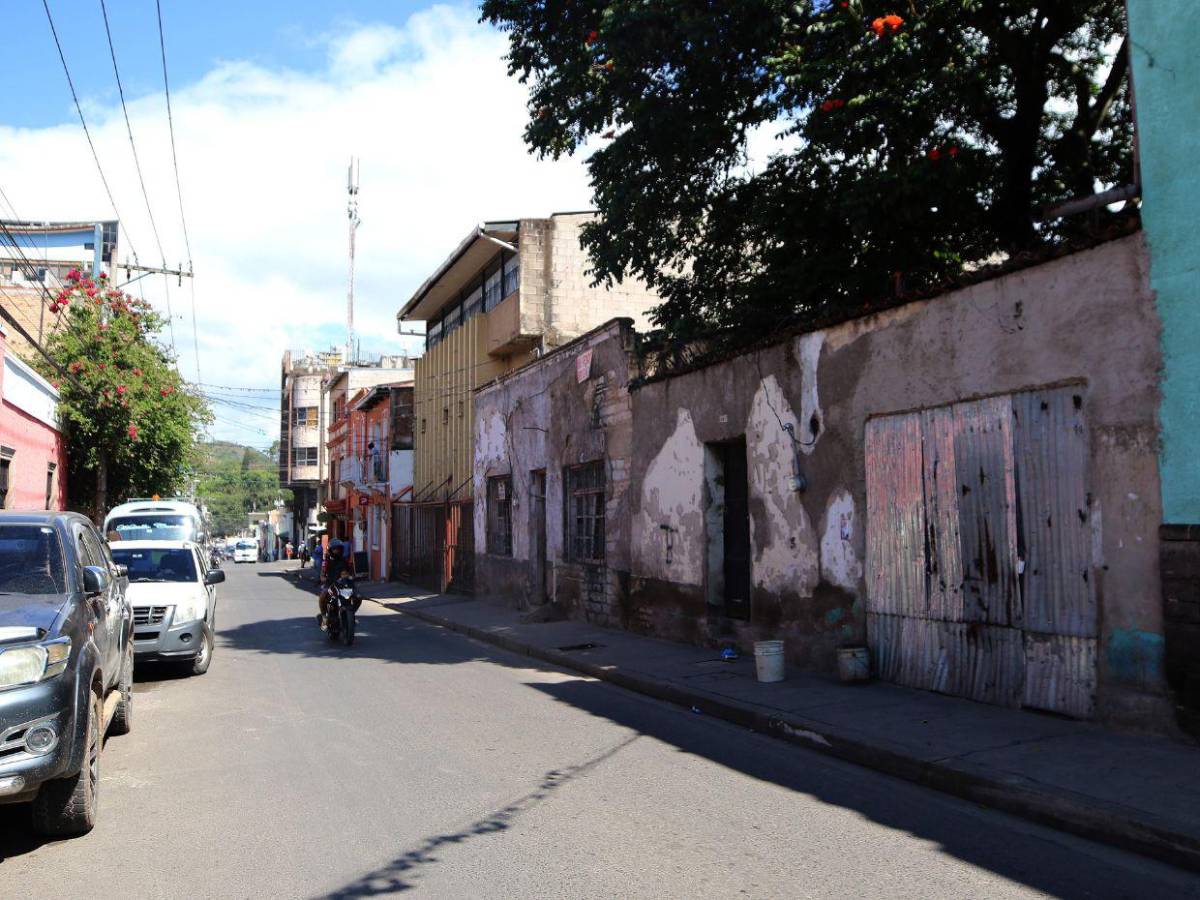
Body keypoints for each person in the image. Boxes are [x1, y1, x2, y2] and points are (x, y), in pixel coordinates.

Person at [318, 540, 355, 627]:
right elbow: (322, 574)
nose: (337, 551)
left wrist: (351, 577)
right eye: (334, 549)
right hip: (331, 585)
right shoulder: (326, 561)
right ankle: (324, 617)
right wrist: (323, 578)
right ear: (331, 550)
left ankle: (351, 615)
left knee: (358, 597)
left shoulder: (345, 561)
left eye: (338, 549)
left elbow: (351, 573)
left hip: (343, 586)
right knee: (323, 596)